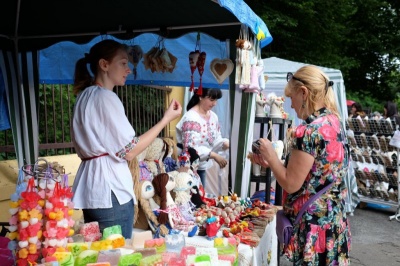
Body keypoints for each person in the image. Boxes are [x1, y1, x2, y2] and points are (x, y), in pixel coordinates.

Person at [71, 39, 182, 239]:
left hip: (92, 186)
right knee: (117, 253)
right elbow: (129, 150)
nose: (128, 69)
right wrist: (165, 119)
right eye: (123, 63)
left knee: (97, 253)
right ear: (104, 65)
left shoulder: (84, 96)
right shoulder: (105, 98)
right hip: (110, 189)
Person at [251, 65, 351, 265]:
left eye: (291, 97)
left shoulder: (308, 132)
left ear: (303, 93)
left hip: (313, 228)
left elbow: (291, 183)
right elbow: (315, 174)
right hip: (334, 224)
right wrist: (275, 162)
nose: (291, 105)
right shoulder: (335, 124)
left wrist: (271, 157)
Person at [175, 88, 229, 190]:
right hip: (186, 167)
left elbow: (215, 138)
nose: (214, 104)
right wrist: (213, 155)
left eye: (216, 100)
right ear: (200, 97)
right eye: (212, 100)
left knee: (200, 197)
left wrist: (224, 143)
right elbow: (190, 148)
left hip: (201, 166)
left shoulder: (213, 116)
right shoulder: (191, 117)